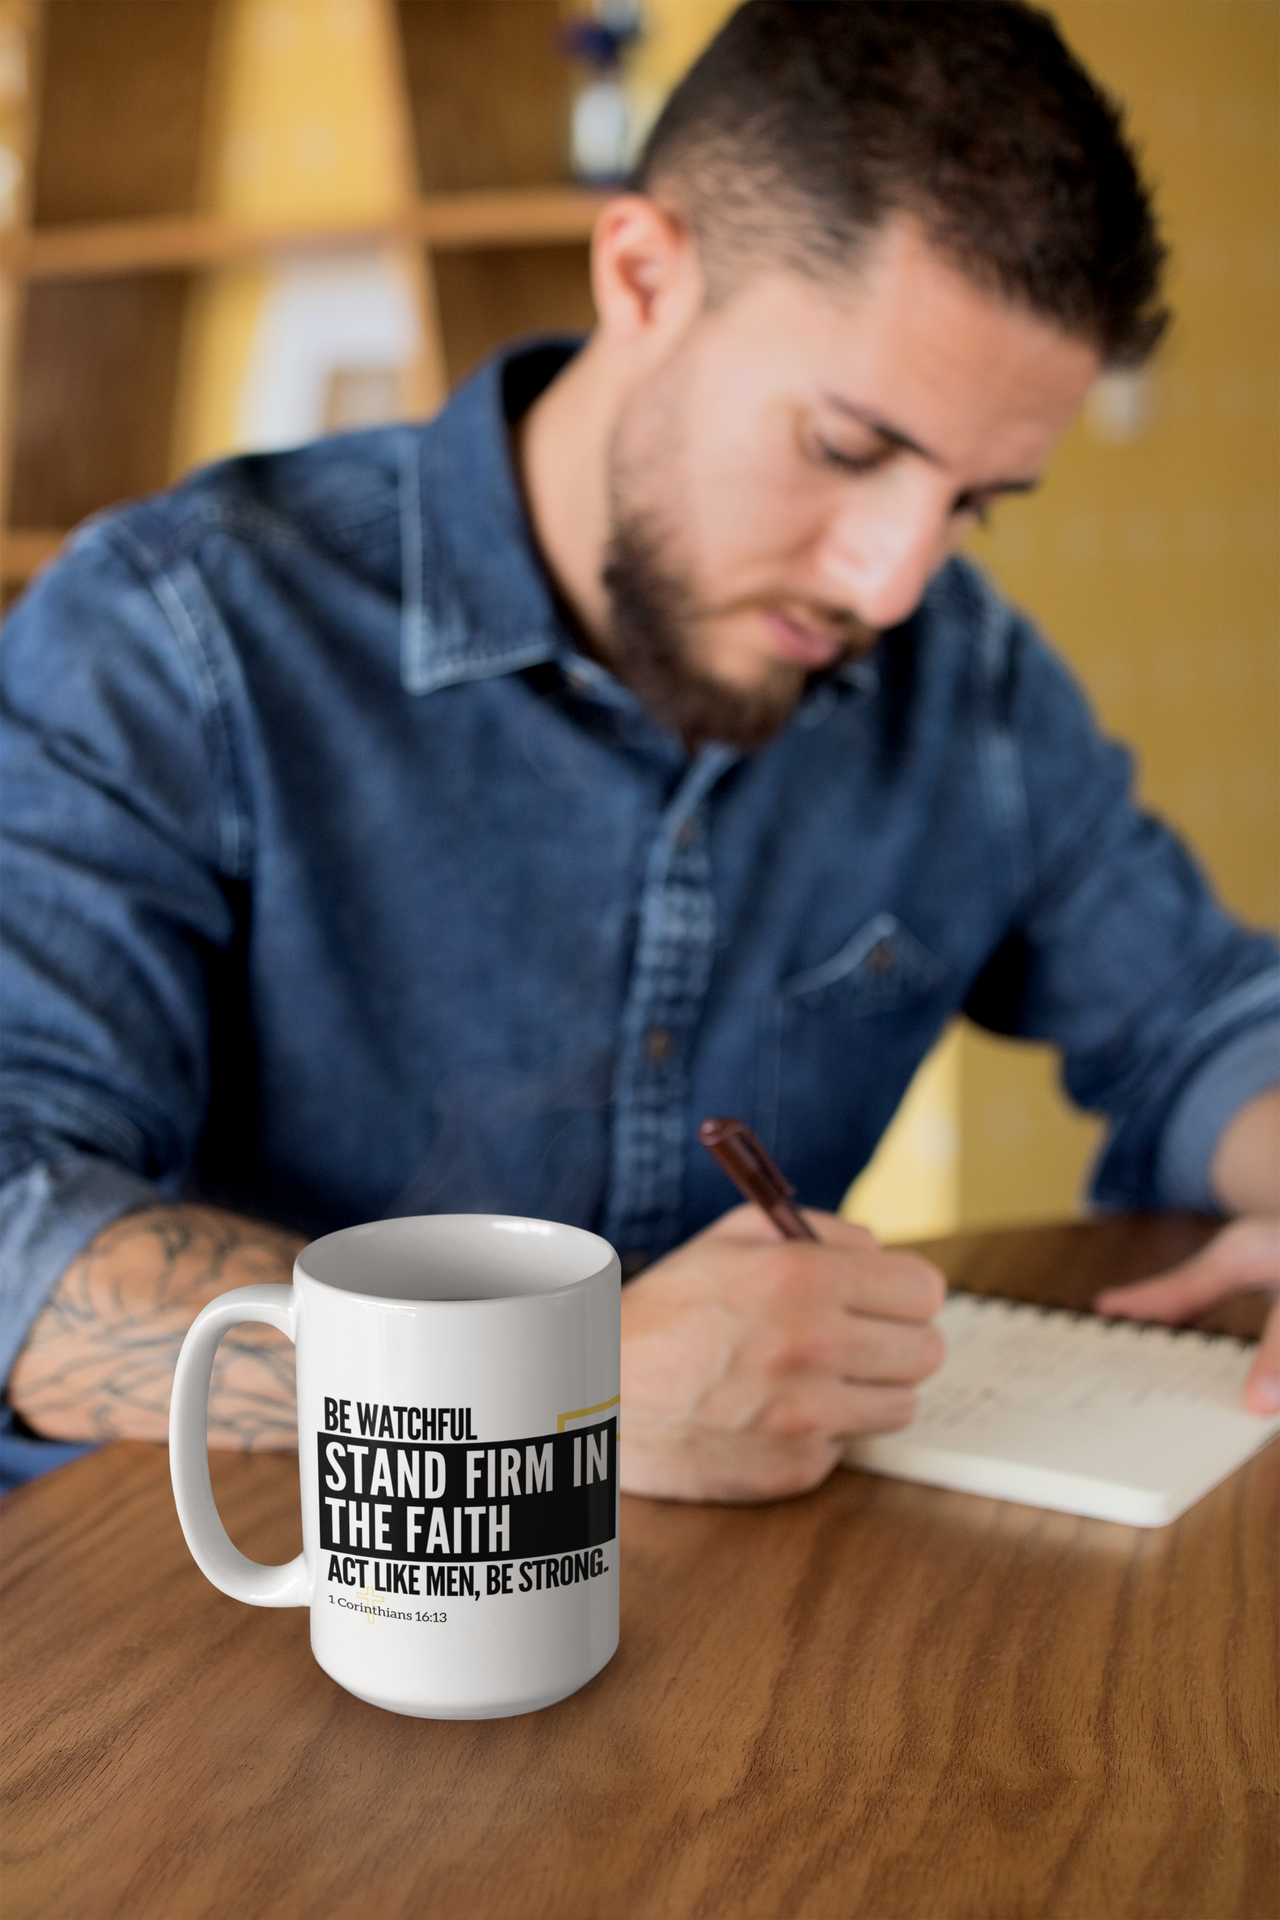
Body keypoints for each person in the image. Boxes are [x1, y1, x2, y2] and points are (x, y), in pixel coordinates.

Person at [1, 0, 1276, 1503]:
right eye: (851, 450)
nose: (891, 583)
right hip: (216, 1624)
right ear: (644, 274)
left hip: (718, 1637)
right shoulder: (177, 635)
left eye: (974, 503)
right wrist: (557, 1385)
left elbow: (1203, 1019)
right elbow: (17, 1219)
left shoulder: (966, 683)